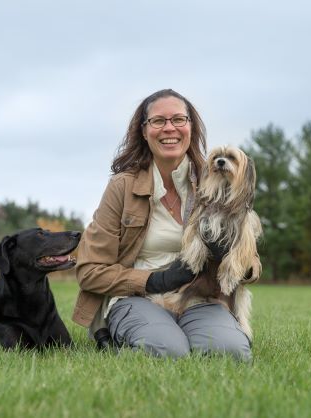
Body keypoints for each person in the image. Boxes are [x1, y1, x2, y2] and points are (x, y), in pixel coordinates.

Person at [72, 89, 254, 361]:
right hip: (139, 298)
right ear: (144, 131)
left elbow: (250, 265)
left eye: (179, 119)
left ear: (191, 127)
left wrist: (230, 258)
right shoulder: (123, 186)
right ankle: (123, 334)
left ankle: (189, 331)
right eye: (158, 121)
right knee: (167, 351)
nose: (170, 128)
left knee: (230, 353)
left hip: (200, 298)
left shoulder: (214, 180)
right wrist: (154, 280)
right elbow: (89, 271)